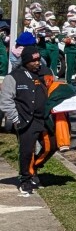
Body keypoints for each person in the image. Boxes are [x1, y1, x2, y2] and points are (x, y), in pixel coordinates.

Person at [0, 49, 52, 195]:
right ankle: (25, 179)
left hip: (45, 118)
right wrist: (16, 119)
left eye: (38, 60)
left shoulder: (45, 73)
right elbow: (5, 101)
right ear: (25, 61)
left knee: (53, 145)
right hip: (26, 120)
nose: (37, 63)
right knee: (27, 150)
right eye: (33, 61)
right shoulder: (14, 77)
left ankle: (35, 167)